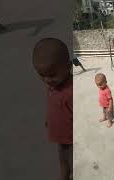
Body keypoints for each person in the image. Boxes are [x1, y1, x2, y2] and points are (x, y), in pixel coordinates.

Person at [32, 38, 73, 180]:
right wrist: (50, 120)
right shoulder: (53, 85)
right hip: (62, 137)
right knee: (63, 161)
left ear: (68, 67)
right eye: (42, 75)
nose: (47, 80)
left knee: (71, 162)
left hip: (72, 139)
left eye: (52, 75)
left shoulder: (71, 91)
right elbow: (53, 105)